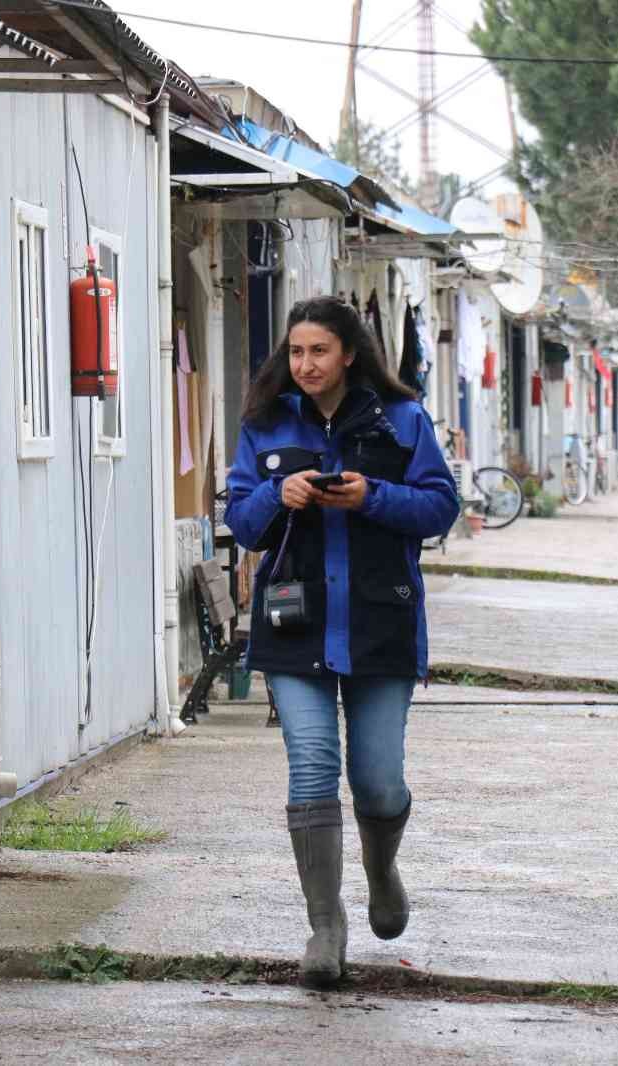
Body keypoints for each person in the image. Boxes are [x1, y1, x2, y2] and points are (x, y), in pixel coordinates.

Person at [224, 296, 459, 989]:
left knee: (379, 781)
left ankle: (382, 869)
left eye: (319, 352)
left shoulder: (402, 421)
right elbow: (241, 519)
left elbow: (441, 506)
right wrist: (279, 495)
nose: (306, 365)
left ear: (349, 354)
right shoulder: (264, 424)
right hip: (293, 626)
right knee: (312, 765)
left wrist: (372, 497)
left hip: (379, 623)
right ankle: (325, 927)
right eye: (296, 353)